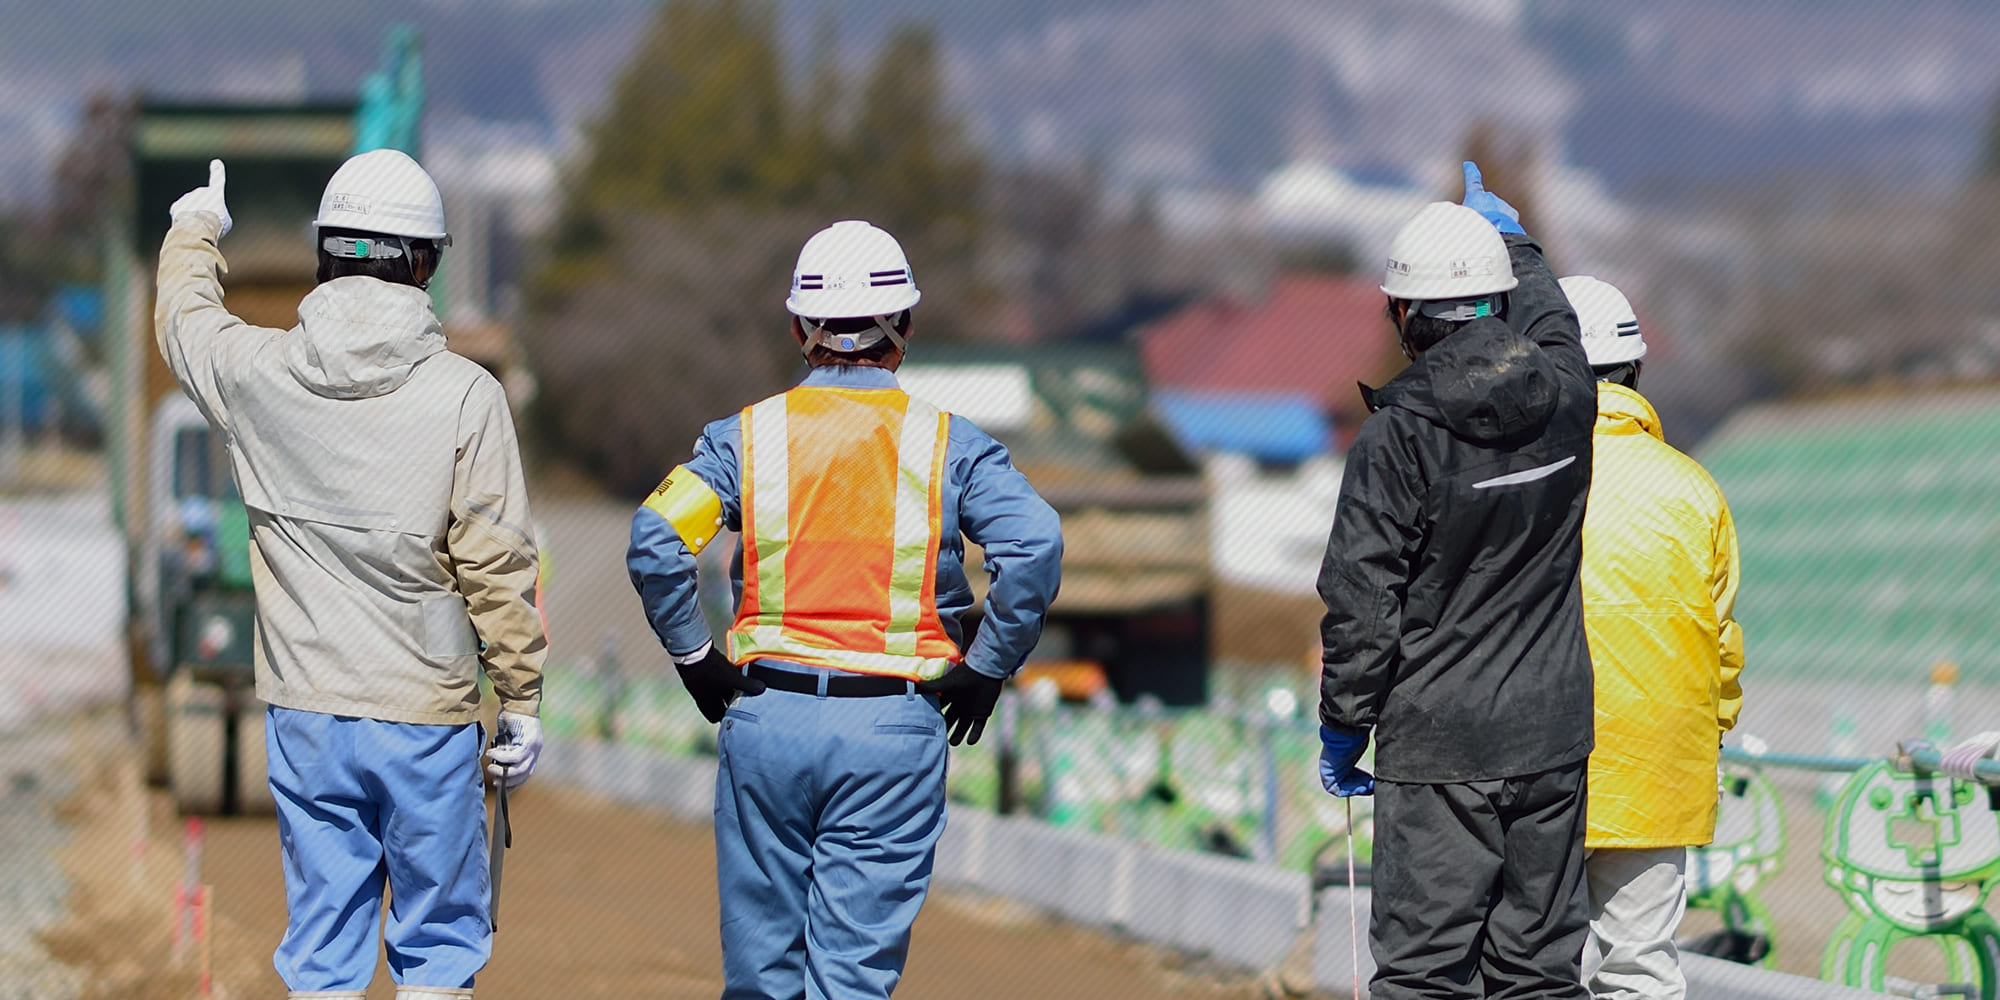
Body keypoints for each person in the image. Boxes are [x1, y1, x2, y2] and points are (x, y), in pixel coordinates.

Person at [627, 219, 1063, 999]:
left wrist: (696, 658)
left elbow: (657, 539)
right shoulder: (950, 445)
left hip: (768, 719)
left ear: (801, 328)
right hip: (893, 729)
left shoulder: (745, 439)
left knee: (762, 979)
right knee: (852, 979)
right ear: (907, 329)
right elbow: (1034, 546)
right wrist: (989, 667)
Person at [158, 152, 546, 1000]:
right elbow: (496, 563)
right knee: (439, 945)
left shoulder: (258, 376)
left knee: (325, 946)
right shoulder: (466, 396)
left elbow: (186, 327)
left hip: (306, 714)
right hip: (425, 716)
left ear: (324, 254)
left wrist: (194, 233)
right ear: (426, 263)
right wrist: (520, 698)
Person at [1314, 162, 1598, 999]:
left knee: (1426, 975)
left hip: (1438, 745)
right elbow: (1558, 330)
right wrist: (1514, 241)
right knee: (1541, 974)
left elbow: (1363, 603)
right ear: (1500, 301)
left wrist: (1344, 725)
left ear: (1402, 314)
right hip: (1552, 731)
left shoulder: (1397, 439)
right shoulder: (1569, 399)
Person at [1555, 274, 1743, 1000]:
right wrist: (1710, 730)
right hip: (1661, 767)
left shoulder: (1524, 478)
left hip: (1540, 762)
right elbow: (1721, 643)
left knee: (1540, 963)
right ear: (1635, 371)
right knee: (1641, 964)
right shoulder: (1693, 488)